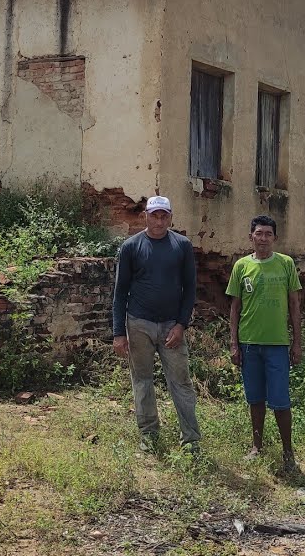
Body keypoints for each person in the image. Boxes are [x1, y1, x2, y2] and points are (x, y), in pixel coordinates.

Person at [112, 195, 201, 454]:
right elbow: (120, 292)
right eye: (154, 215)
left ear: (170, 217)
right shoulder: (131, 247)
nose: (159, 221)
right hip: (139, 323)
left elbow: (190, 289)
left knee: (181, 381)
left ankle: (191, 438)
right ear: (146, 216)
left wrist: (181, 324)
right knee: (142, 380)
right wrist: (119, 333)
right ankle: (149, 434)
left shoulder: (181, 245)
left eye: (164, 216)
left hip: (171, 326)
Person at [226, 215, 302, 472]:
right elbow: (235, 308)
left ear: (275, 238)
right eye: (259, 233)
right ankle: (257, 447)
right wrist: (234, 344)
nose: (263, 238)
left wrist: (297, 343)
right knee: (255, 399)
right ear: (251, 236)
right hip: (249, 344)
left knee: (280, 401)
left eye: (268, 234)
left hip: (277, 344)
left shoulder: (286, 264)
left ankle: (288, 453)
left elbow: (294, 305)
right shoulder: (241, 266)